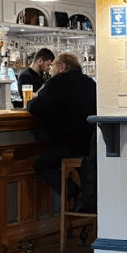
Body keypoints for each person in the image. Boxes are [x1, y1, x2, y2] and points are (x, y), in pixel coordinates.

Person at [27, 52, 97, 212]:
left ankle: (75, 193)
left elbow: (34, 106)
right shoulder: (90, 83)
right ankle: (86, 198)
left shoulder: (57, 82)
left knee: (42, 165)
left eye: (52, 66)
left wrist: (41, 90)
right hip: (90, 146)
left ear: (61, 67)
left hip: (67, 145)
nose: (50, 70)